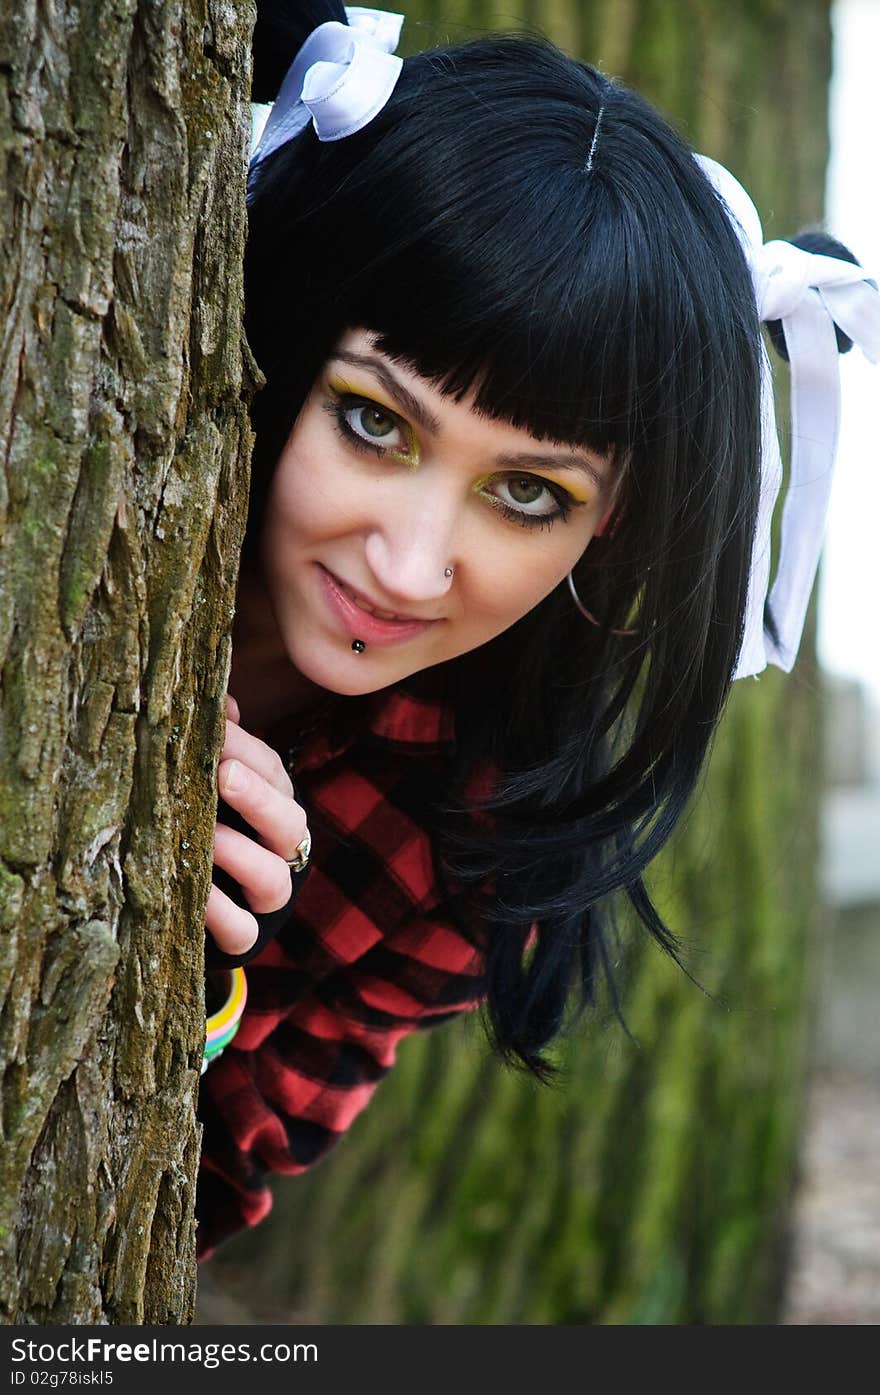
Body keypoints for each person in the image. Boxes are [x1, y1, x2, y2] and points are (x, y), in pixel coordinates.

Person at [194, 1, 879, 1262]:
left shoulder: (477, 846)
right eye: (371, 421)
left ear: (607, 527)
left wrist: (181, 979)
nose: (405, 564)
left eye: (527, 494)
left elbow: (194, 1192)